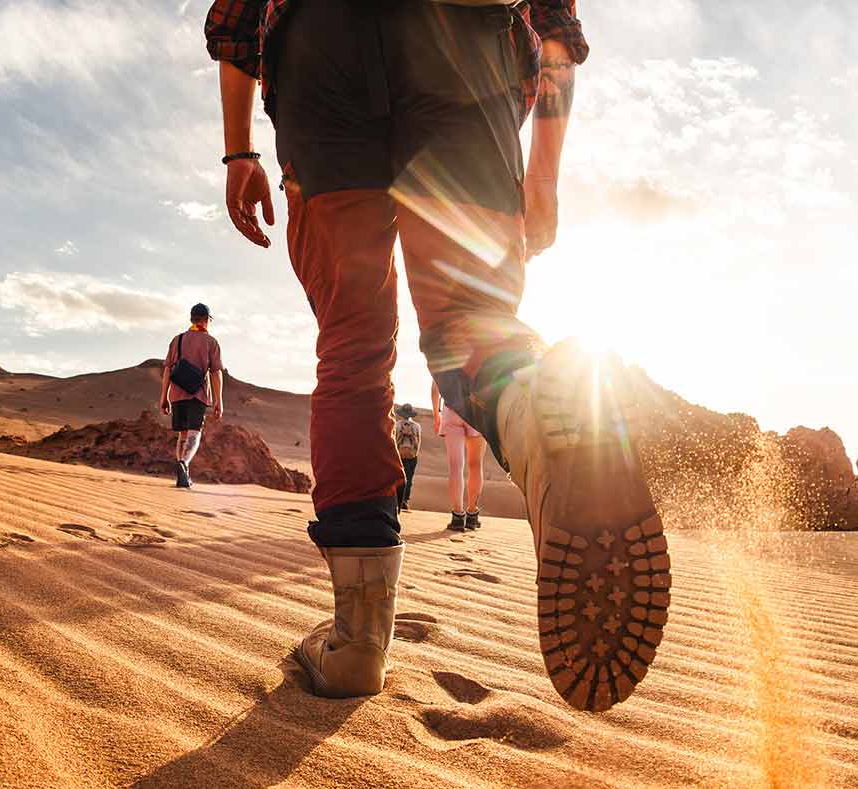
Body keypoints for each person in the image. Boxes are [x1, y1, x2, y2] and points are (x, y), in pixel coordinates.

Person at [207, 0, 672, 712]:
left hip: (322, 51)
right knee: (470, 321)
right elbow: (555, 30)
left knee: (353, 349)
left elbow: (238, 22)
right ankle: (531, 419)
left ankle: (358, 641)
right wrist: (543, 178)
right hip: (467, 51)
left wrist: (239, 151)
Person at [159, 303, 225, 488]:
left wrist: (164, 397)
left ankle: (183, 473)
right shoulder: (211, 342)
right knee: (194, 434)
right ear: (207, 320)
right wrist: (219, 401)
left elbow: (167, 370)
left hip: (177, 394)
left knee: (182, 434)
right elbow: (216, 373)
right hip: (198, 394)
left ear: (191, 319)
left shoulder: (177, 340)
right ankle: (184, 463)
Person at [430, 381, 483, 532]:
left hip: (451, 411)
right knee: (475, 464)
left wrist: (436, 415)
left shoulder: (446, 356)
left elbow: (435, 388)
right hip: (475, 411)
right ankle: (472, 515)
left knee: (455, 466)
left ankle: (458, 517)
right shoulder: (476, 356)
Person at [393, 404, 422, 510]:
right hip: (412, 456)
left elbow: (394, 439)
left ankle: (397, 500)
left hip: (399, 454)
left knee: (397, 477)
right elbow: (418, 442)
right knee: (409, 478)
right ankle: (405, 500)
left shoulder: (397, 425)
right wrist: (415, 454)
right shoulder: (417, 426)